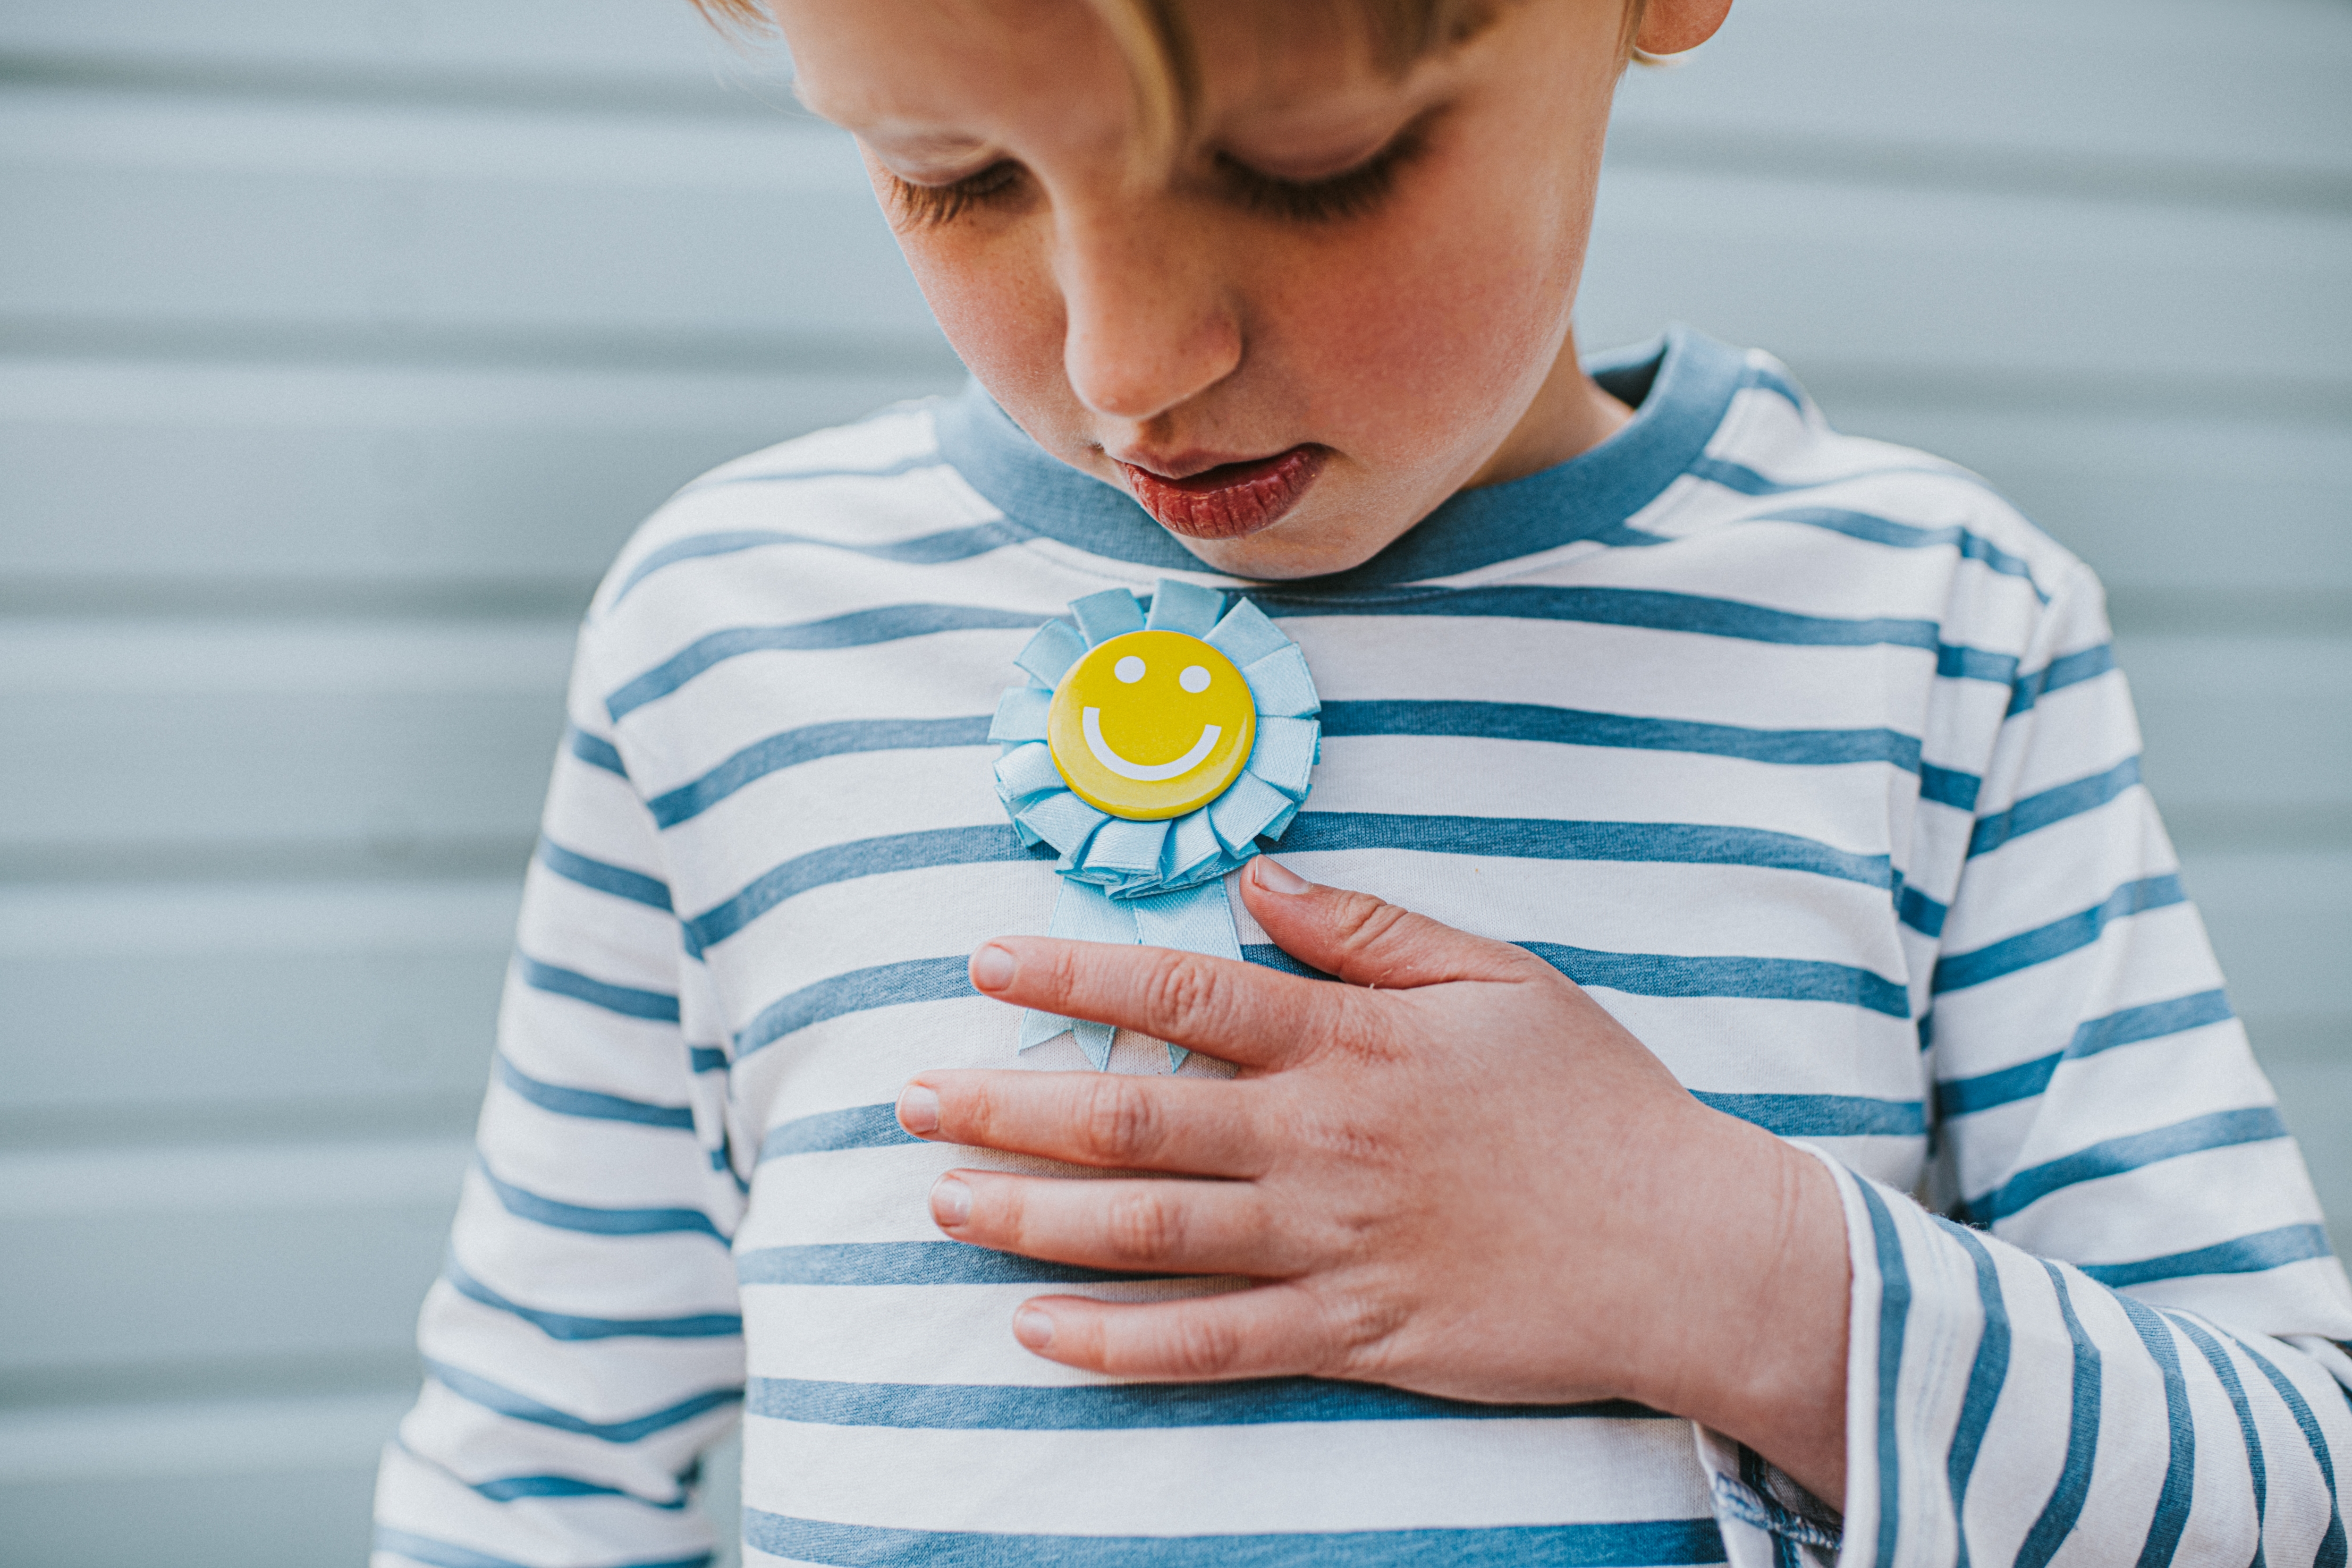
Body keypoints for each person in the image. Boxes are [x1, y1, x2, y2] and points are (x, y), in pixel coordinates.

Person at [371, 0, 2352, 1563]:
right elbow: (528, 1485)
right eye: (951, 174)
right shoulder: (722, 628)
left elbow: (2290, 1491)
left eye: (1307, 165)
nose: (1131, 356)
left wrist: (1716, 1267)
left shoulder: (1939, 633)